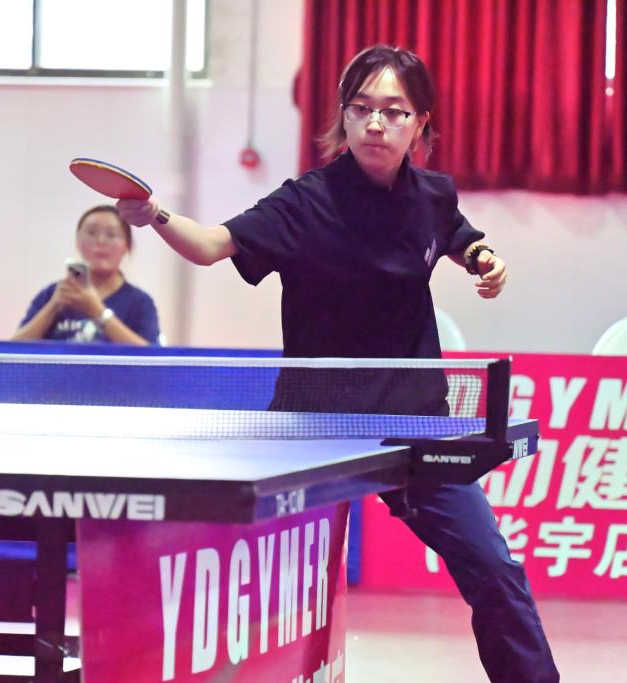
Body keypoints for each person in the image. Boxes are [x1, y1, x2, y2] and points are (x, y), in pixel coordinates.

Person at [118, 45, 559, 683]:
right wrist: (155, 214)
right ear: (343, 117)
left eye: (394, 111)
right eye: (361, 108)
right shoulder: (305, 202)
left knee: (494, 569)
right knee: (276, 587)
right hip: (312, 428)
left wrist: (484, 259)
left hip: (413, 424)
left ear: (420, 122)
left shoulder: (433, 195)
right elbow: (212, 245)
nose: (376, 123)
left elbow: (459, 236)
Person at [13, 205, 161, 345]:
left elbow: (153, 357)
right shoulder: (52, 294)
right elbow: (14, 349)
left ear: (127, 246)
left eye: (111, 235)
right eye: (91, 233)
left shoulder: (140, 303)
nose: (101, 241)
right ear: (78, 242)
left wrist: (97, 311)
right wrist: (53, 306)